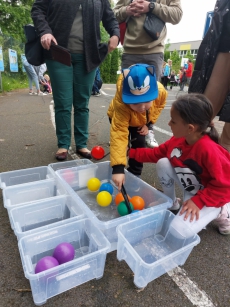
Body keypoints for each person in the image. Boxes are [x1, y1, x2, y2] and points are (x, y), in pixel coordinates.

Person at [129, 94, 230, 235]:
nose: (169, 124)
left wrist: (199, 201)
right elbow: (155, 154)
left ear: (190, 128)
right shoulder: (177, 140)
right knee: (162, 163)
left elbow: (225, 185)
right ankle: (171, 202)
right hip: (192, 187)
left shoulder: (209, 150)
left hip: (210, 196)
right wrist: (129, 153)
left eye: (173, 121)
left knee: (178, 231)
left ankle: (222, 210)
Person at [31, 0, 120, 161]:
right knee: (63, 101)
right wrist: (44, 31)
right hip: (58, 52)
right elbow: (38, 9)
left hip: (88, 56)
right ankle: (63, 144)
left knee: (82, 102)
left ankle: (81, 144)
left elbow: (110, 18)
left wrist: (115, 34)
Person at [108, 63, 167, 190]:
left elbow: (159, 107)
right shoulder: (121, 104)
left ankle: (135, 174)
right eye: (135, 104)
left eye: (147, 101)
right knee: (121, 141)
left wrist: (149, 124)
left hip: (140, 122)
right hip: (118, 118)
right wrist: (118, 168)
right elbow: (119, 132)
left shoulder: (160, 92)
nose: (141, 108)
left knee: (139, 143)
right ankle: (119, 160)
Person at [189, 0, 230, 152]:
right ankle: (183, 151)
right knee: (202, 111)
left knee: (228, 136)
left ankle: (222, 165)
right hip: (224, 46)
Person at [113, 0, 182, 80]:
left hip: (154, 52)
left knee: (152, 91)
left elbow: (177, 15)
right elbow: (112, 16)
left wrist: (151, 6)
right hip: (130, 53)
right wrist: (126, 10)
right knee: (128, 91)